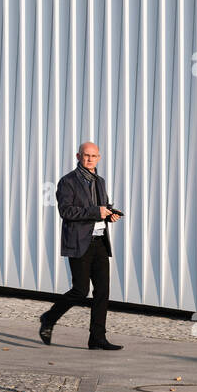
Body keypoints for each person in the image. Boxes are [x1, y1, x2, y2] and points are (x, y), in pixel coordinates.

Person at [38, 141, 123, 350]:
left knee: (102, 291)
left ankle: (97, 338)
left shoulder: (100, 181)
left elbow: (103, 205)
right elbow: (66, 211)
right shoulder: (67, 182)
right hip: (78, 243)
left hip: (100, 242)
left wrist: (110, 213)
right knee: (80, 290)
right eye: (86, 155)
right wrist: (97, 212)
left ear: (99, 158)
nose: (90, 159)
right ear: (78, 156)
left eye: (94, 156)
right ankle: (49, 318)